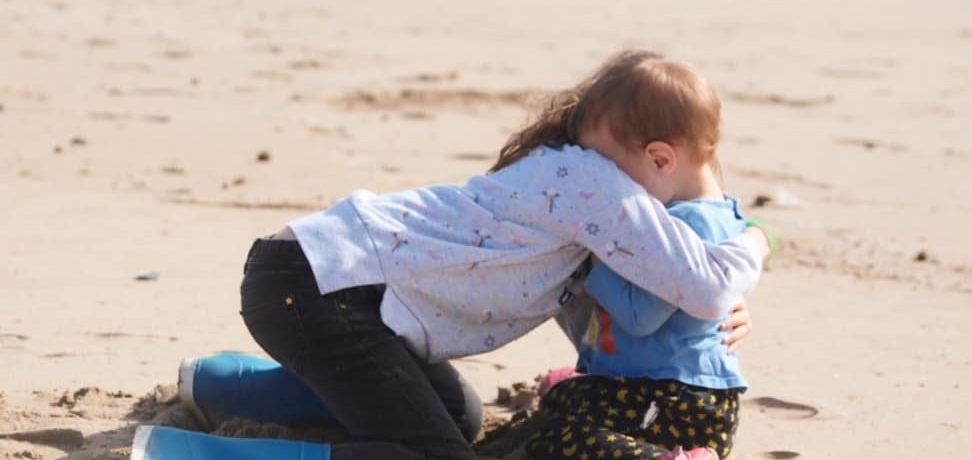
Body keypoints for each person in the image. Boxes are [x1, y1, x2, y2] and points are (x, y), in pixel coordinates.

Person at [135, 50, 773, 460]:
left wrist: (710, 306)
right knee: (431, 455)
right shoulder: (602, 185)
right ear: (655, 155)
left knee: (460, 415)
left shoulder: (576, 175)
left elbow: (640, 303)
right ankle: (190, 454)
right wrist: (757, 241)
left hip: (310, 275)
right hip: (325, 290)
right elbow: (709, 285)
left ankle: (215, 383)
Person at [526, 64, 761, 460]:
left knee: (559, 440)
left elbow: (640, 317)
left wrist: (594, 255)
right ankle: (586, 393)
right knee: (559, 403)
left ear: (660, 160)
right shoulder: (722, 213)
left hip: (678, 402)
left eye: (611, 171)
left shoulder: (687, 227)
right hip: (657, 390)